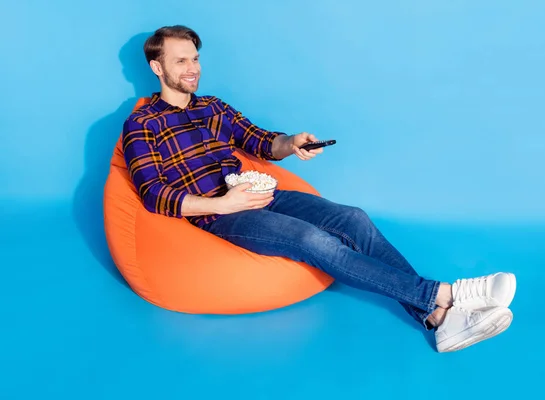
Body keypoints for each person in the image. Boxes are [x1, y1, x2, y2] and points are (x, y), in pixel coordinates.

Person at [121, 25, 517, 353]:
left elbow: (260, 141)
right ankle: (444, 295)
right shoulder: (142, 124)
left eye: (195, 58)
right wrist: (223, 204)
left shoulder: (213, 106)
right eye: (181, 61)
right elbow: (154, 193)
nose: (193, 69)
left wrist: (291, 143)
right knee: (312, 239)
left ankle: (437, 318)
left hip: (262, 193)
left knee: (353, 218)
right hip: (220, 215)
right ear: (157, 67)